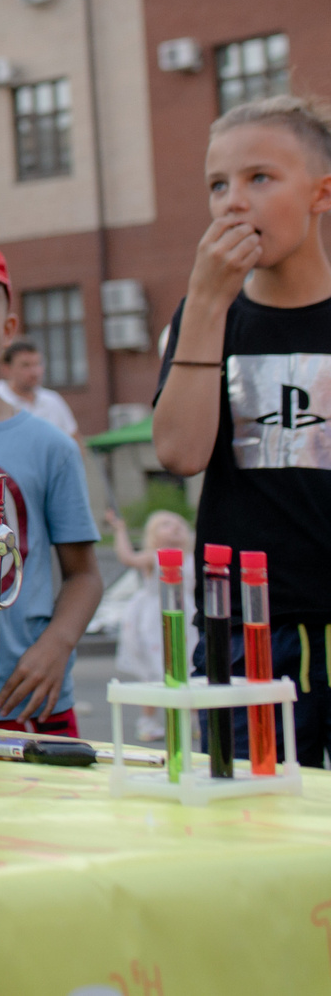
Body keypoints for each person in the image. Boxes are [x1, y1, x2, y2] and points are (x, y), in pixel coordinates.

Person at [149, 93, 331, 766]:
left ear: (320, 193)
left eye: (260, 178)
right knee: (250, 812)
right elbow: (179, 451)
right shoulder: (205, 314)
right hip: (245, 632)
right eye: (218, 185)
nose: (234, 202)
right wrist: (206, 303)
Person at [0, 246, 101, 735]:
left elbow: (84, 575)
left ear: (9, 328)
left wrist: (56, 645)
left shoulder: (50, 445)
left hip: (28, 701)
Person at [106, 507, 194, 742]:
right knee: (156, 669)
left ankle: (192, 718)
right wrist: (120, 530)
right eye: (166, 524)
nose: (175, 527)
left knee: (189, 666)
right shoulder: (152, 558)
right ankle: (148, 720)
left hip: (186, 618)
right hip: (155, 620)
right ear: (153, 535)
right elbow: (127, 557)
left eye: (179, 523)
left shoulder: (190, 559)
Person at [0, 339, 81, 445]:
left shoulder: (52, 401)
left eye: (37, 364)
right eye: (25, 365)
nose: (34, 372)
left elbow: (75, 442)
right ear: (6, 369)